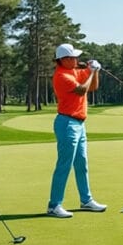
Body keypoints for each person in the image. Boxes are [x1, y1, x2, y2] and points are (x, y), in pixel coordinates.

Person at [46, 43, 108, 218]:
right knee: (64, 165)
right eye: (74, 57)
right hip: (67, 123)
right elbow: (82, 90)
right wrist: (92, 72)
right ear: (64, 59)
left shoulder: (74, 71)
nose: (77, 60)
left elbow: (93, 87)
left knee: (82, 164)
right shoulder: (62, 76)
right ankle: (54, 205)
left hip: (79, 124)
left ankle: (86, 200)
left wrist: (95, 71)